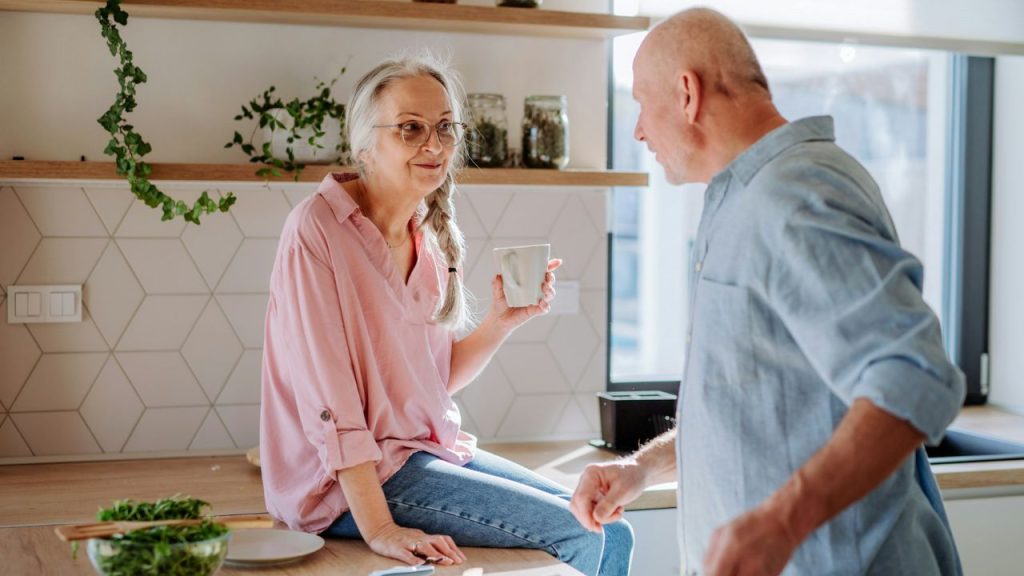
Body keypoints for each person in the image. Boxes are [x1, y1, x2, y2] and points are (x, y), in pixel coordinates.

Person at [570, 8, 965, 576]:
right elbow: (755, 412)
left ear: (687, 93)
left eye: (640, 102)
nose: (637, 129)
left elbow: (913, 375)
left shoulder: (796, 194)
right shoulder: (738, 200)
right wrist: (641, 469)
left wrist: (783, 521)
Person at [260, 54, 634, 575]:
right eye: (410, 129)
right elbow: (332, 405)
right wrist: (381, 529)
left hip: (419, 456)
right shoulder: (316, 231)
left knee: (606, 523)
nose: (433, 145)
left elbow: (432, 384)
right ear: (365, 143)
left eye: (444, 128)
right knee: (592, 533)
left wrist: (503, 321)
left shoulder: (426, 237)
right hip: (342, 488)